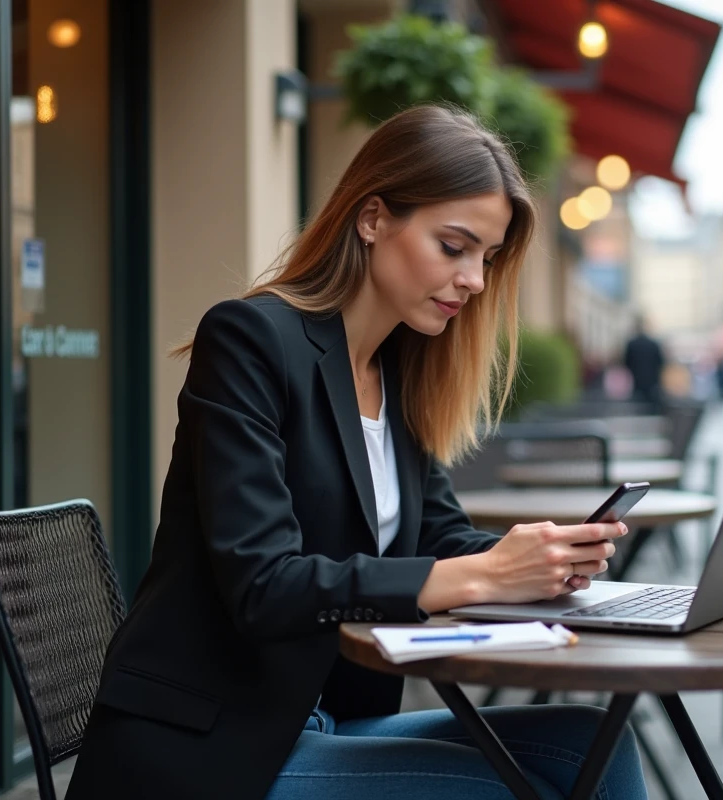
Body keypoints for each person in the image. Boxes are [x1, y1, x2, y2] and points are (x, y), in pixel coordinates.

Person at [66, 107, 647, 800]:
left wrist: (539, 560)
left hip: (321, 718)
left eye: (486, 258)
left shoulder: (394, 370)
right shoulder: (250, 342)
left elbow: (440, 538)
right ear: (373, 219)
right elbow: (264, 585)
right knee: (508, 789)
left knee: (593, 745)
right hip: (207, 747)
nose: (475, 281)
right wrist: (482, 578)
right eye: (454, 246)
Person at [623, 314, 666, 410]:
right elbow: (661, 363)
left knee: (638, 408)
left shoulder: (631, 344)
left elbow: (626, 363)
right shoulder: (654, 344)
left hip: (637, 381)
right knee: (652, 408)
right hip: (653, 382)